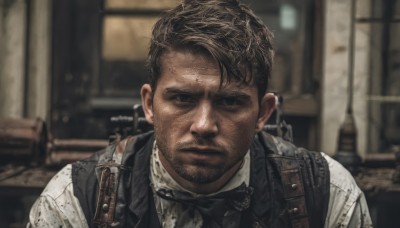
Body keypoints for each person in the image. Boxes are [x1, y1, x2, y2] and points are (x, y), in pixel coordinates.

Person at [28, 0, 372, 227]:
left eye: (230, 102)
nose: (204, 125)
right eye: (182, 99)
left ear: (264, 112)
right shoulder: (75, 199)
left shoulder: (326, 193)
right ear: (149, 104)